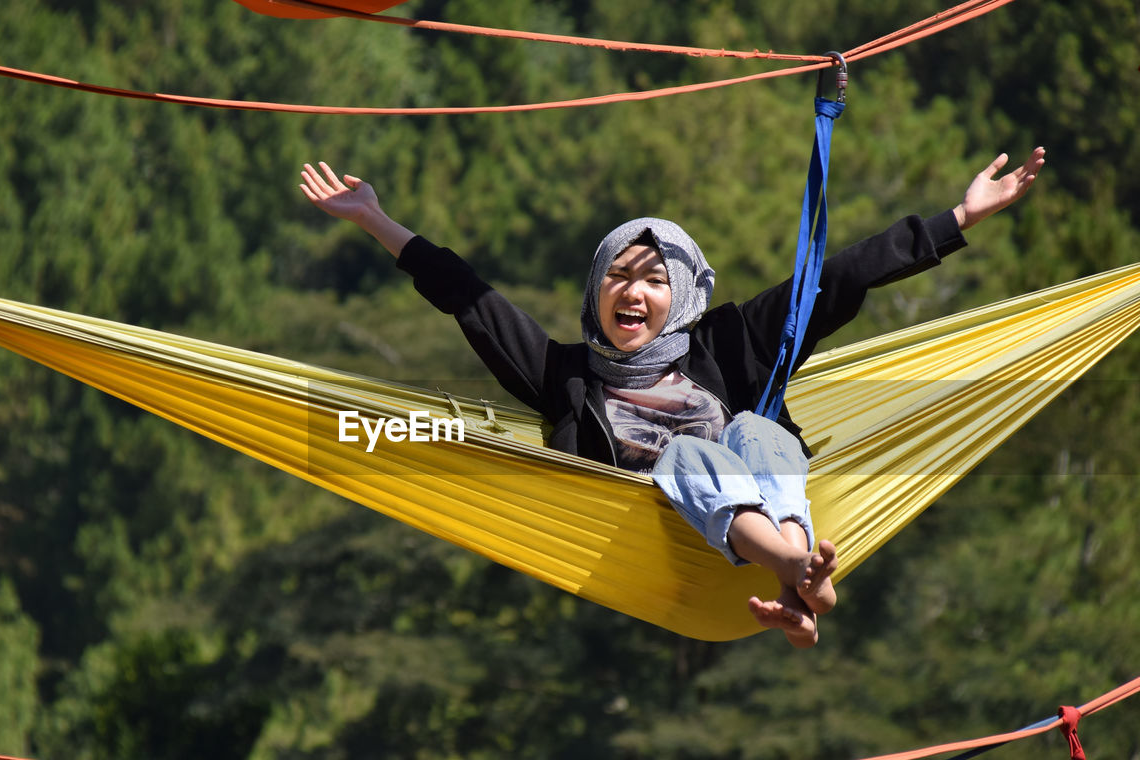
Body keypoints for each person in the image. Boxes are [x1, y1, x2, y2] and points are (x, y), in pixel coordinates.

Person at [300, 147, 1045, 647]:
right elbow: (469, 298)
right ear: (596, 293)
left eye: (655, 280)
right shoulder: (563, 374)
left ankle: (795, 568)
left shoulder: (727, 346)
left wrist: (959, 219)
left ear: (683, 296)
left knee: (758, 431)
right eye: (618, 276)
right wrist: (374, 219)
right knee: (691, 451)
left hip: (771, 514)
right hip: (660, 537)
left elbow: (836, 280)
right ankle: (800, 576)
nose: (633, 291)